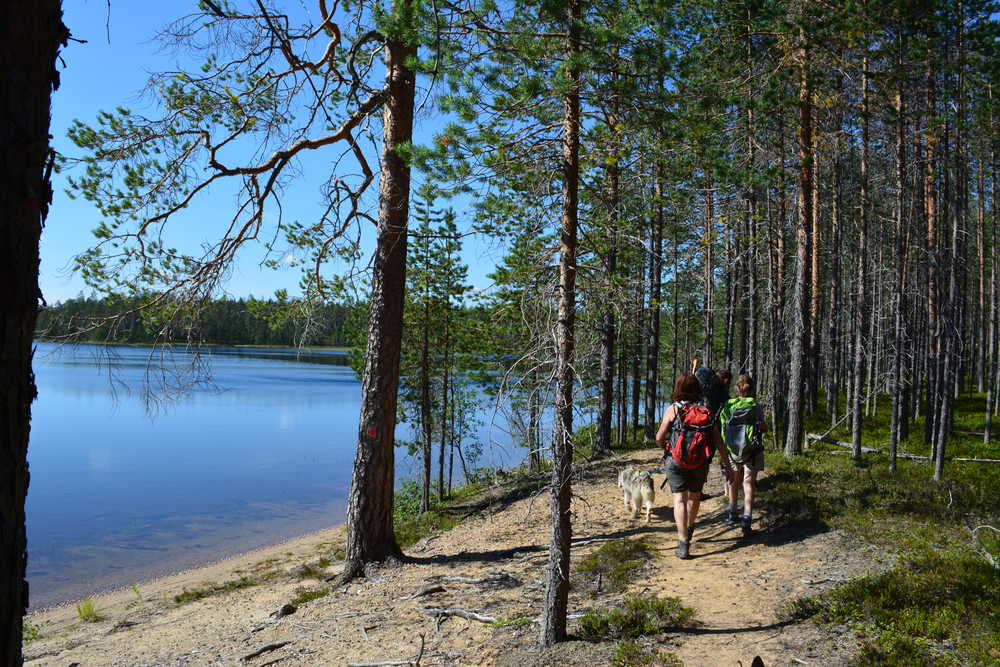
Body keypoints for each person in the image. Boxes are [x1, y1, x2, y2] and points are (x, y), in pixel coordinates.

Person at [655, 373, 734, 559]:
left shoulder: (673, 409)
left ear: (678, 388)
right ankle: (690, 528)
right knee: (694, 497)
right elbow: (718, 442)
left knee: (679, 500)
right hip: (700, 462)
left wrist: (666, 447)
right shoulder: (705, 412)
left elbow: (659, 437)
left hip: (676, 461)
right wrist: (728, 465)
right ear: (698, 389)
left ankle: (683, 543)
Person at [719, 374, 768, 537]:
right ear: (751, 389)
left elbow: (722, 428)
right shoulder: (755, 406)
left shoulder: (728, 405)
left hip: (732, 449)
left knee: (733, 479)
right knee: (748, 483)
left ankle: (732, 511)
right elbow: (763, 428)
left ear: (737, 388)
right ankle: (747, 518)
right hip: (751, 449)